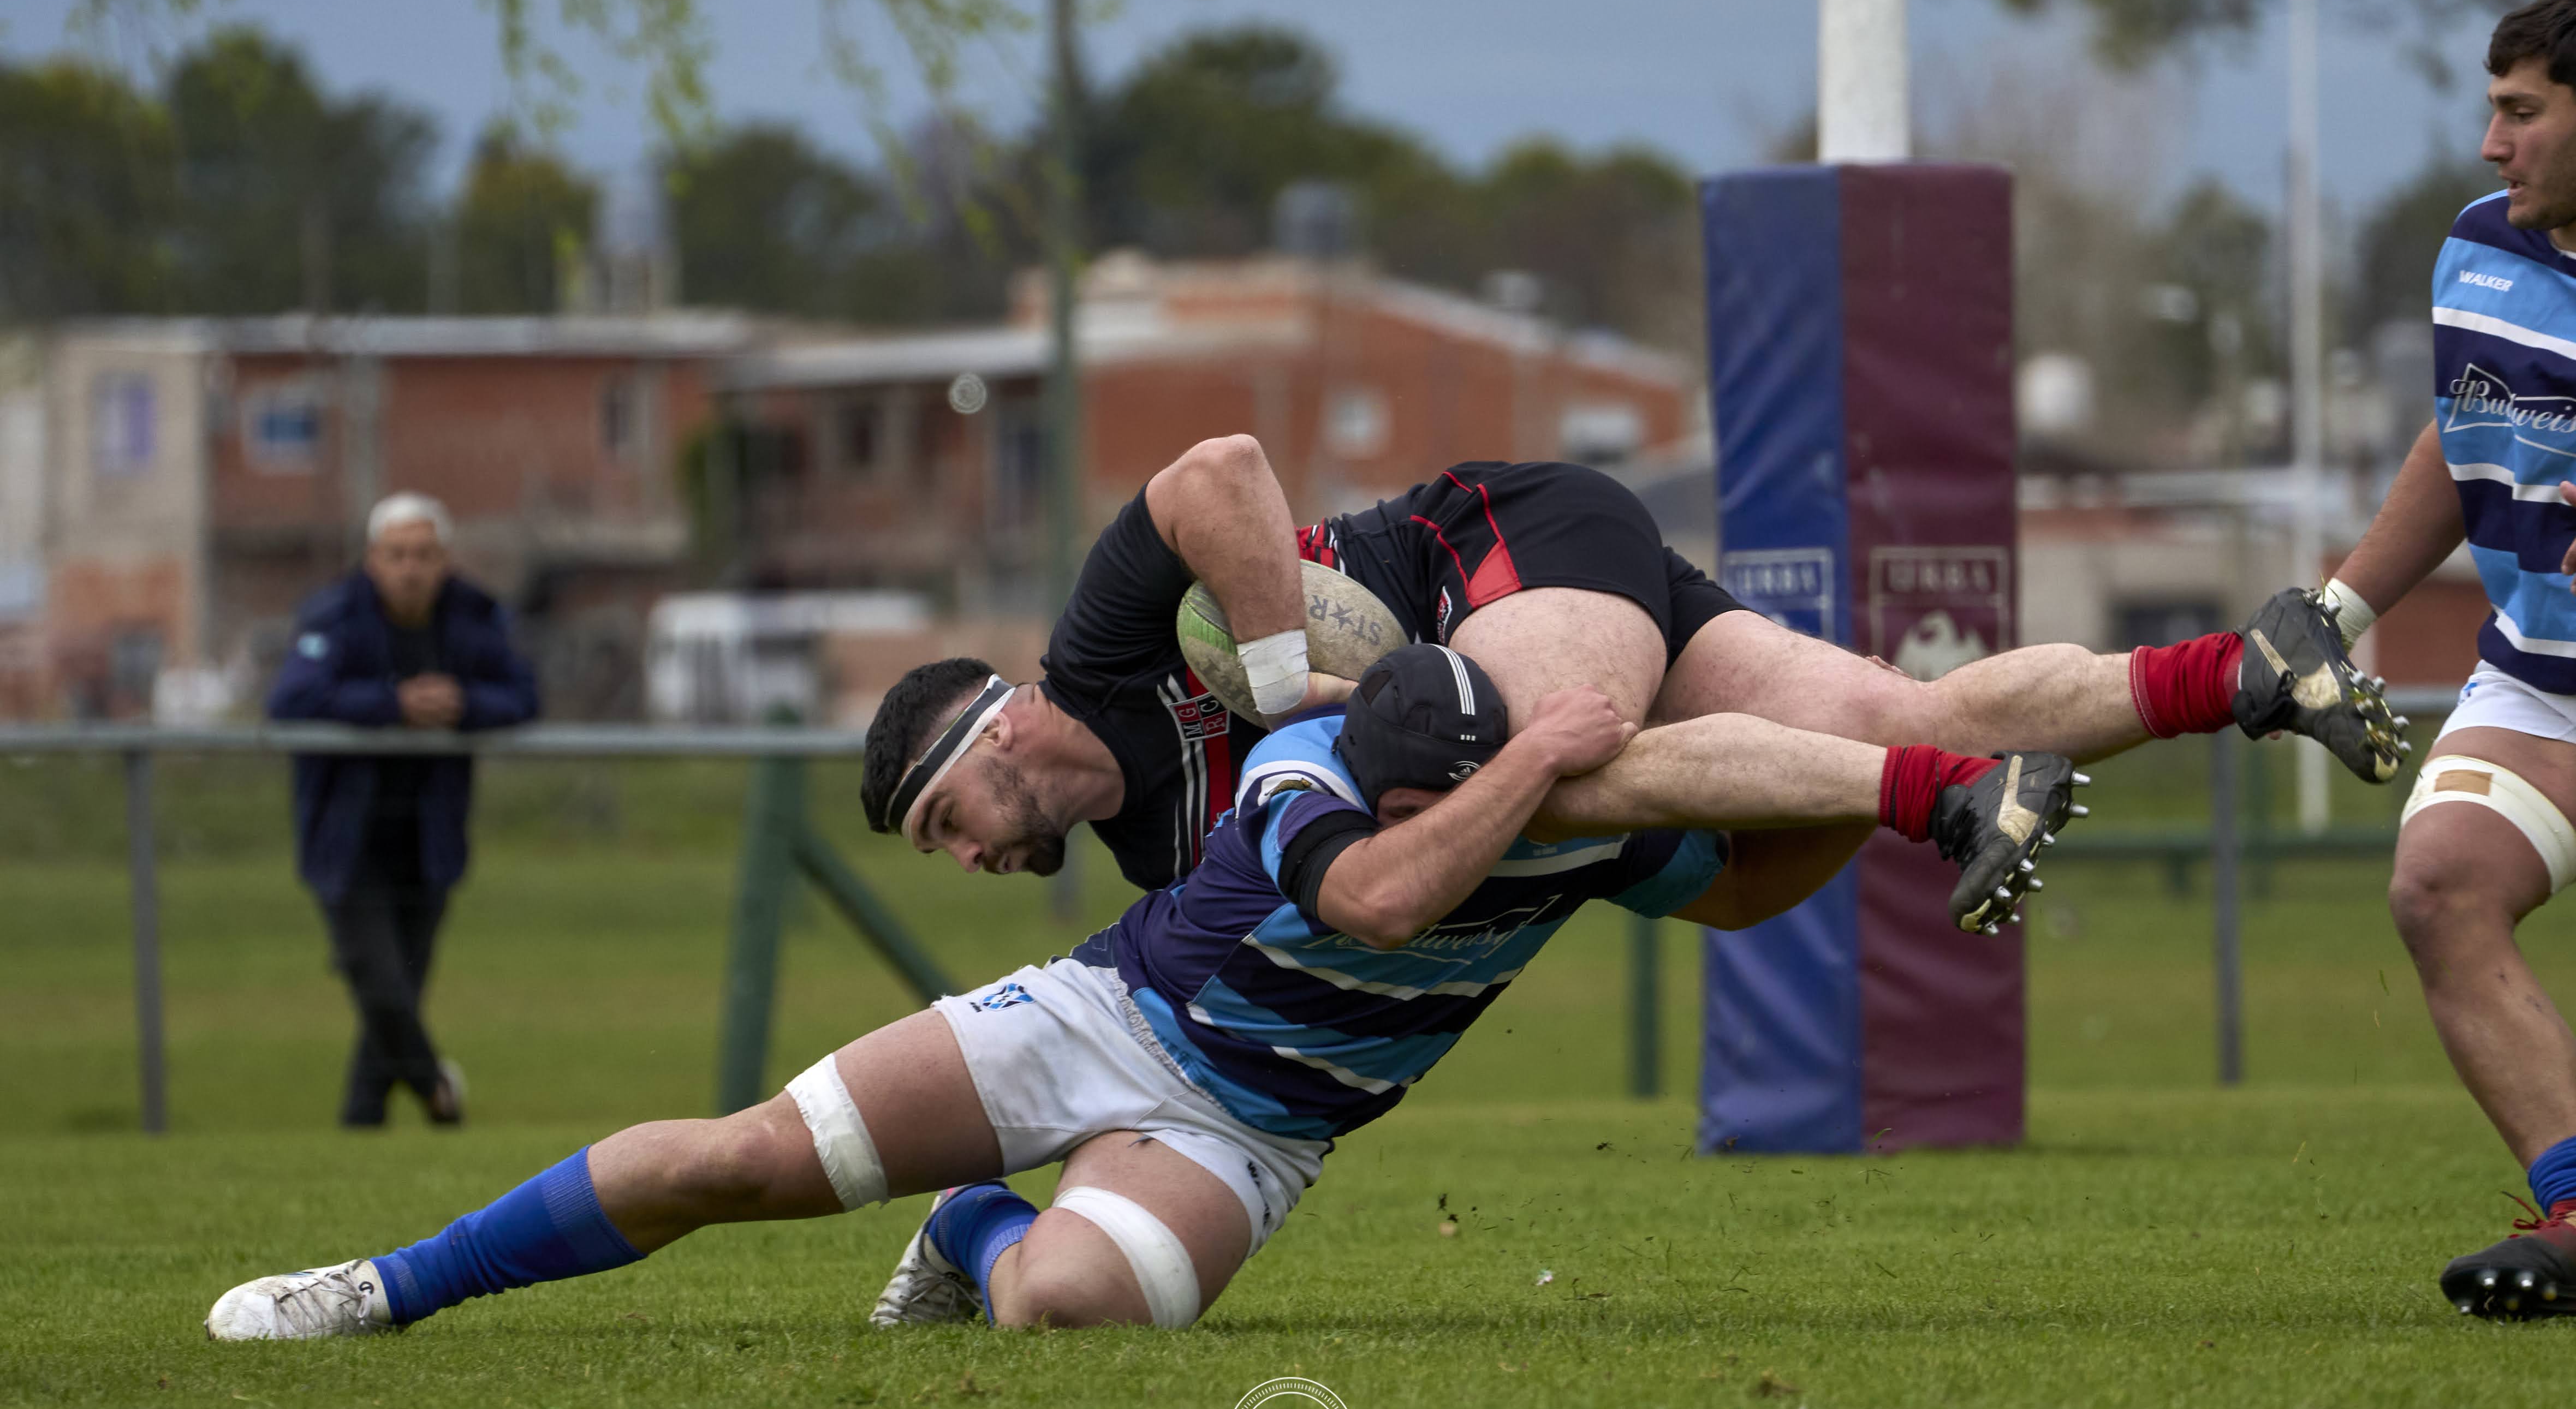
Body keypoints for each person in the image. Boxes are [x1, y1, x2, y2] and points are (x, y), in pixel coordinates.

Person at [203, 645, 2009, 1340]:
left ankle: (977, 1226)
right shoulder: (1305, 775)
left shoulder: (1555, 810)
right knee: (737, 1160)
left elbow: (1735, 850)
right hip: (1097, 1023)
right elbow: (1382, 900)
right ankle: (383, 1286)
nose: (1440, 816)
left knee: (1063, 1306)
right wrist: (1535, 761)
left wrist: (1902, 786)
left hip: (1252, 1136)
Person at [861, 439, 2400, 912]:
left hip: (1496, 545)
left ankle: (1952, 798)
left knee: (1537, 750)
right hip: (1542, 625)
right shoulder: (1152, 851)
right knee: (1853, 759)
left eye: (945, 820)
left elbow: (1219, 474)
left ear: (990, 733)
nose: (968, 856)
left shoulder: (1095, 653)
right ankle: (2250, 665)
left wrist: (1273, 676)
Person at [2282, 0, 2576, 1317]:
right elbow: (2467, 429)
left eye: (2521, 111)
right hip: (2541, 678)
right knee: (2442, 882)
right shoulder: (2479, 248)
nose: (2490, 142)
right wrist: (2337, 614)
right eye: (2491, 108)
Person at [266, 493, 539, 1129]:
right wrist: (393, 704)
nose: (410, 569)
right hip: (346, 835)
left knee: (400, 992)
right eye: (397, 555)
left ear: (445, 559)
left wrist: (463, 704)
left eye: (423, 555)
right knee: (380, 983)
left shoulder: (474, 616)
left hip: (430, 834)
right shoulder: (332, 616)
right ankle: (438, 1093)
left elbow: (524, 695)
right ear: (372, 559)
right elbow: (291, 699)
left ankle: (361, 1123)